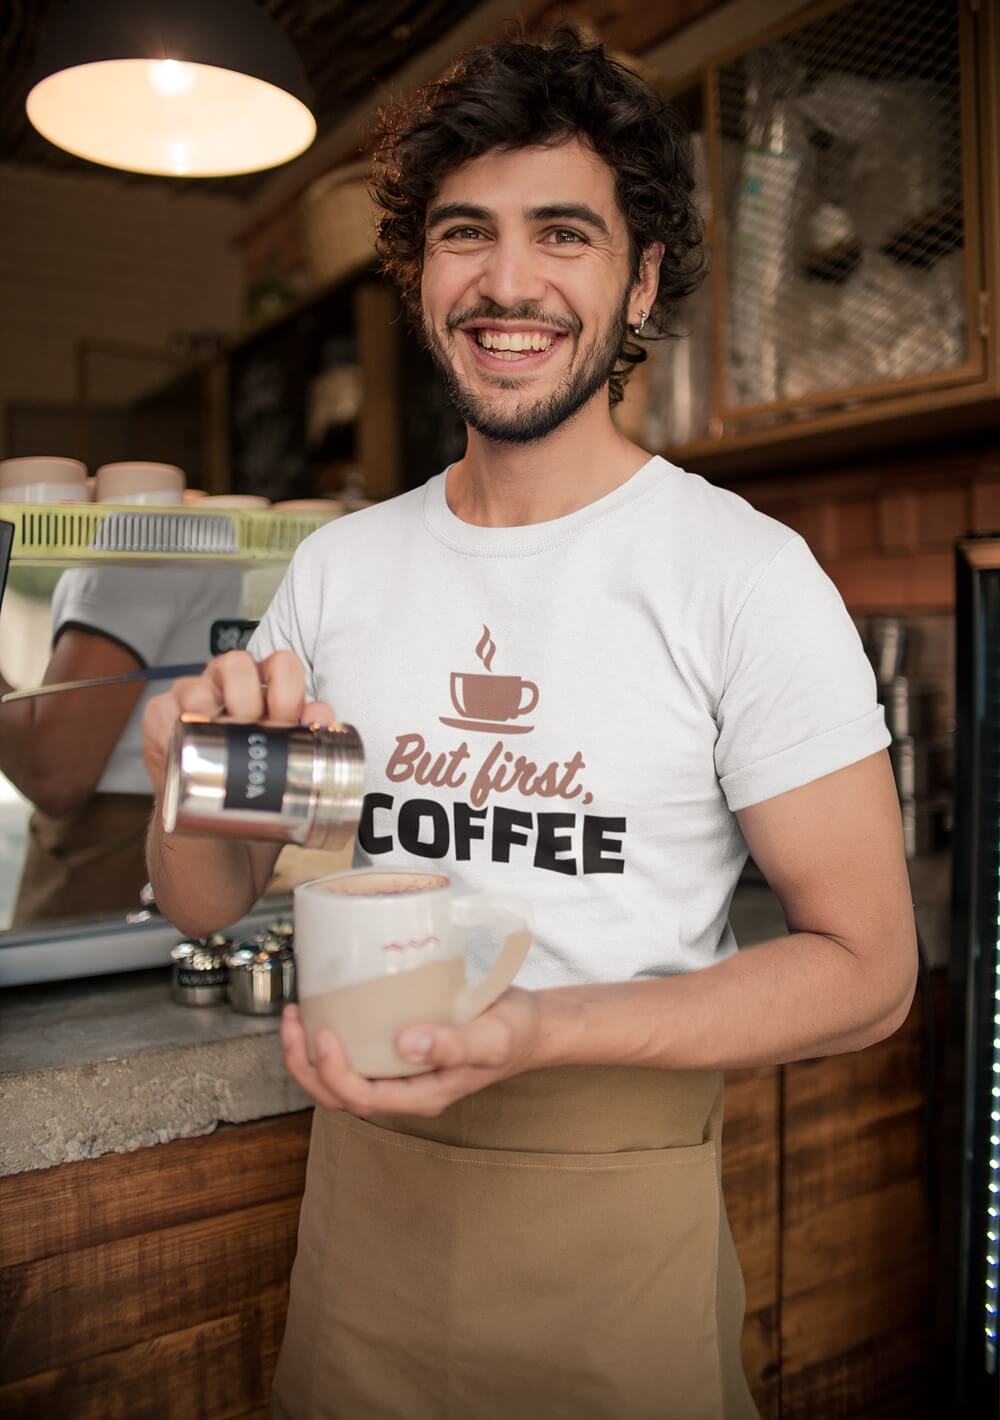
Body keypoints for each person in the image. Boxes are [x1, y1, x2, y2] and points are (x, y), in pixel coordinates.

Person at [142, 28, 917, 1420]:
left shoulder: (736, 574)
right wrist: (185, 776)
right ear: (418, 274)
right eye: (464, 234)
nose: (508, 284)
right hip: (359, 1242)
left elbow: (868, 970)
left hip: (618, 1248)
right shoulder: (343, 573)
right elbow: (216, 895)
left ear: (642, 281)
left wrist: (543, 1029)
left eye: (564, 232)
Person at [1, 563, 240, 924]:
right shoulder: (203, 542)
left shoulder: (140, 548)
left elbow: (54, 773)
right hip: (175, 839)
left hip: (109, 860)